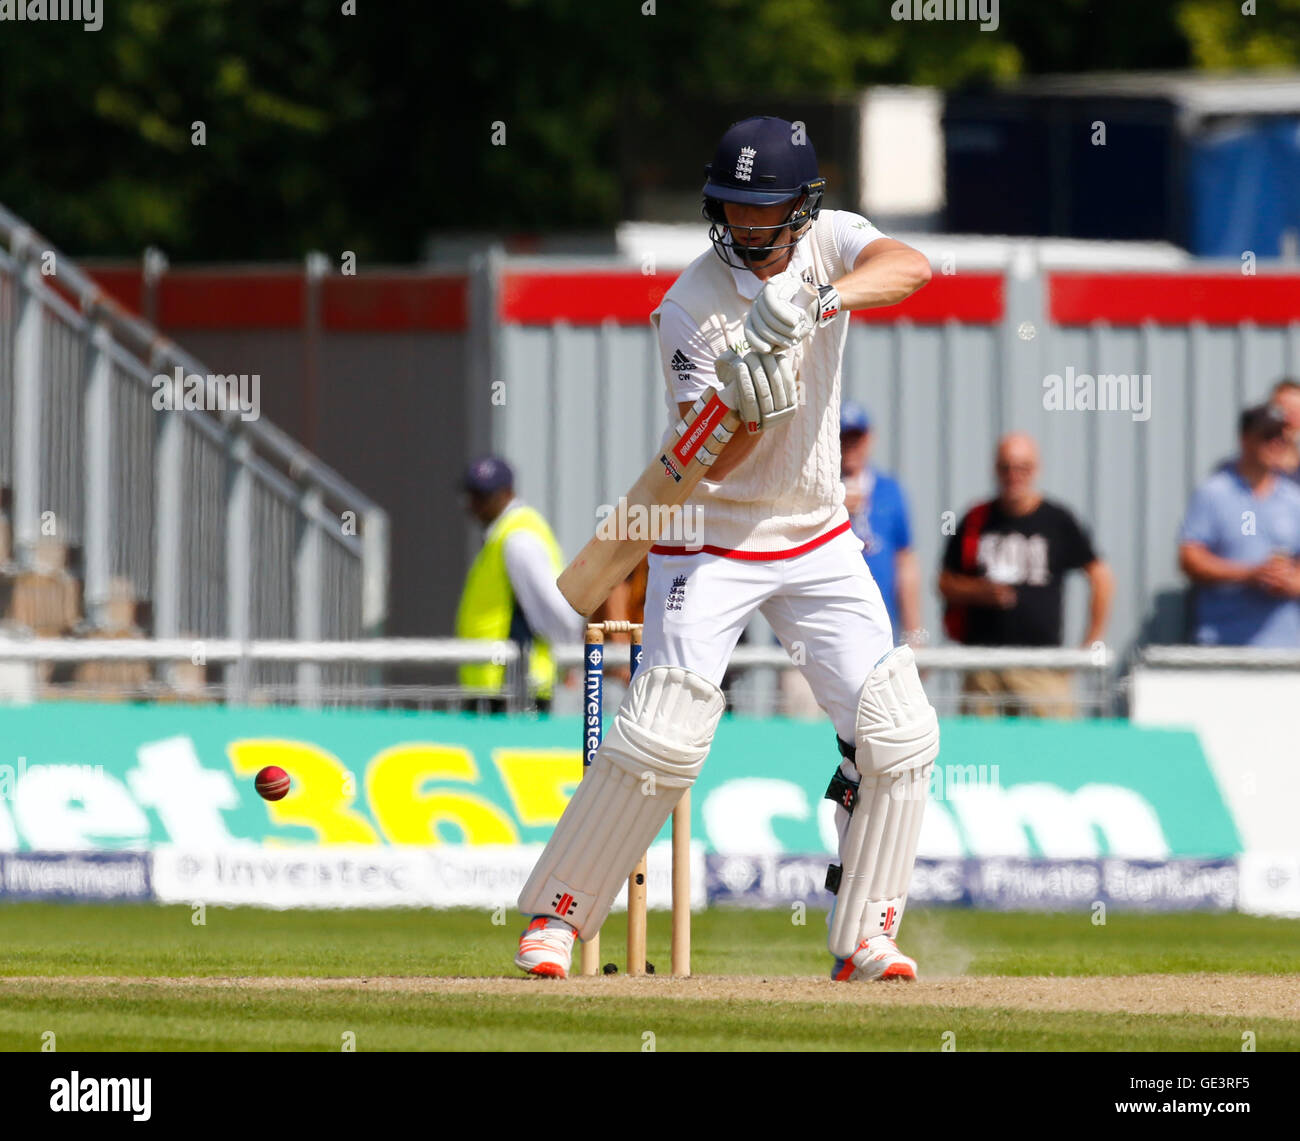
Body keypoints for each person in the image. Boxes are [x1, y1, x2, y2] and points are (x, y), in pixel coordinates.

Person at [515, 115, 937, 982]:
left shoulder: (833, 244)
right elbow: (708, 462)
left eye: (765, 212)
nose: (748, 230)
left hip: (817, 530)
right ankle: (555, 919)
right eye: (733, 212)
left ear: (803, 206)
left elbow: (910, 267)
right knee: (668, 731)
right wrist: (756, 402)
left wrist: (821, 301)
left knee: (897, 730)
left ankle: (867, 934)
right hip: (708, 531)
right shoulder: (688, 307)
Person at [938, 433, 1113, 717]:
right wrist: (981, 592)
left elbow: (1101, 578)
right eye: (1006, 467)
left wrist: (1088, 645)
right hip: (983, 669)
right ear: (995, 469)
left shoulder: (1057, 520)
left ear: (1036, 470)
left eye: (1023, 468)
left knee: (1051, 752)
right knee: (983, 755)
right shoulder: (976, 519)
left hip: (1041, 668)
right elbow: (944, 583)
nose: (1014, 476)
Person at [454, 456, 583, 713]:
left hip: (514, 689)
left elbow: (555, 606)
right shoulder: (502, 536)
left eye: (481, 496)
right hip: (497, 687)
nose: (473, 505)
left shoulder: (518, 538)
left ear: (507, 494)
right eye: (471, 495)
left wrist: (570, 659)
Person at [1179, 403, 1300, 646]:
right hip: (1224, 645)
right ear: (1245, 439)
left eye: (1281, 438)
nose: (1276, 444)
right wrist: (1249, 574)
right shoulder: (1213, 493)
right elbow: (1189, 558)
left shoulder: (1294, 499)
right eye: (1267, 436)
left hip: (1286, 647)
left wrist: (1291, 581)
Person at [840, 401, 922, 645]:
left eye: (856, 437)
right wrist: (833, 506)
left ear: (869, 439)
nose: (850, 446)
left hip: (874, 632)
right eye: (844, 438)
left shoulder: (889, 492)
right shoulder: (812, 490)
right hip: (813, 637)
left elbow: (904, 562)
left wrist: (914, 633)